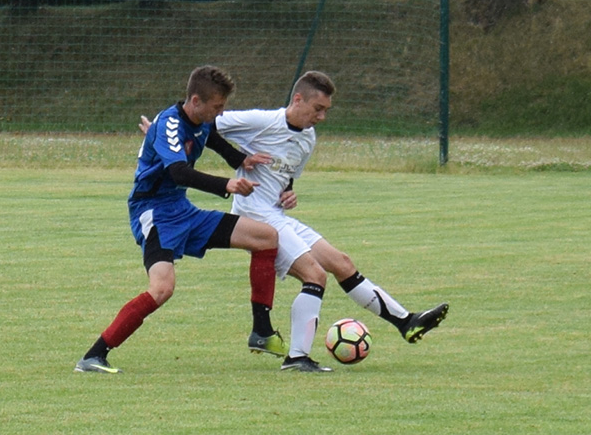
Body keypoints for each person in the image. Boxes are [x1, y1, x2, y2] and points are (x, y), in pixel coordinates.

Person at [143, 71, 449, 372]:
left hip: (277, 214)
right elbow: (203, 122)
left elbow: (286, 179)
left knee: (341, 262)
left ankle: (406, 322)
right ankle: (297, 358)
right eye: (318, 109)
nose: (322, 117)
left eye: (326, 110)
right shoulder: (262, 122)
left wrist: (288, 193)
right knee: (315, 275)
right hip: (255, 216)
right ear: (298, 99)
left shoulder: (308, 139)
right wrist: (160, 135)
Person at [74, 65, 281, 374]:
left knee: (266, 238)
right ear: (195, 101)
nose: (220, 113)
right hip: (154, 211)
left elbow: (211, 138)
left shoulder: (199, 120)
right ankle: (93, 356)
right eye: (217, 107)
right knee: (162, 288)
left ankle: (262, 332)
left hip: (182, 209)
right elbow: (178, 172)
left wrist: (241, 160)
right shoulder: (170, 123)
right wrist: (226, 183)